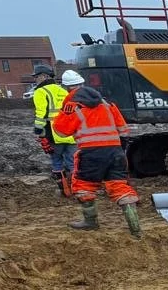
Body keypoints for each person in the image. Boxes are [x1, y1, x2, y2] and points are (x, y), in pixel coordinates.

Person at [52, 83, 141, 237]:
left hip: (90, 153)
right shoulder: (108, 105)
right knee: (119, 186)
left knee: (83, 185)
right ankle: (135, 228)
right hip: (115, 152)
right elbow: (123, 130)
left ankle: (90, 221)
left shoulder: (74, 107)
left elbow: (61, 131)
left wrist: (64, 112)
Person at [30, 66, 75, 197]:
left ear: (44, 76)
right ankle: (77, 189)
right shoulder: (63, 90)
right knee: (73, 163)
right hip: (70, 133)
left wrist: (38, 130)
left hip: (54, 134)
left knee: (57, 162)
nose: (35, 79)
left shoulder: (40, 92)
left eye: (36, 76)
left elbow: (41, 113)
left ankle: (64, 191)